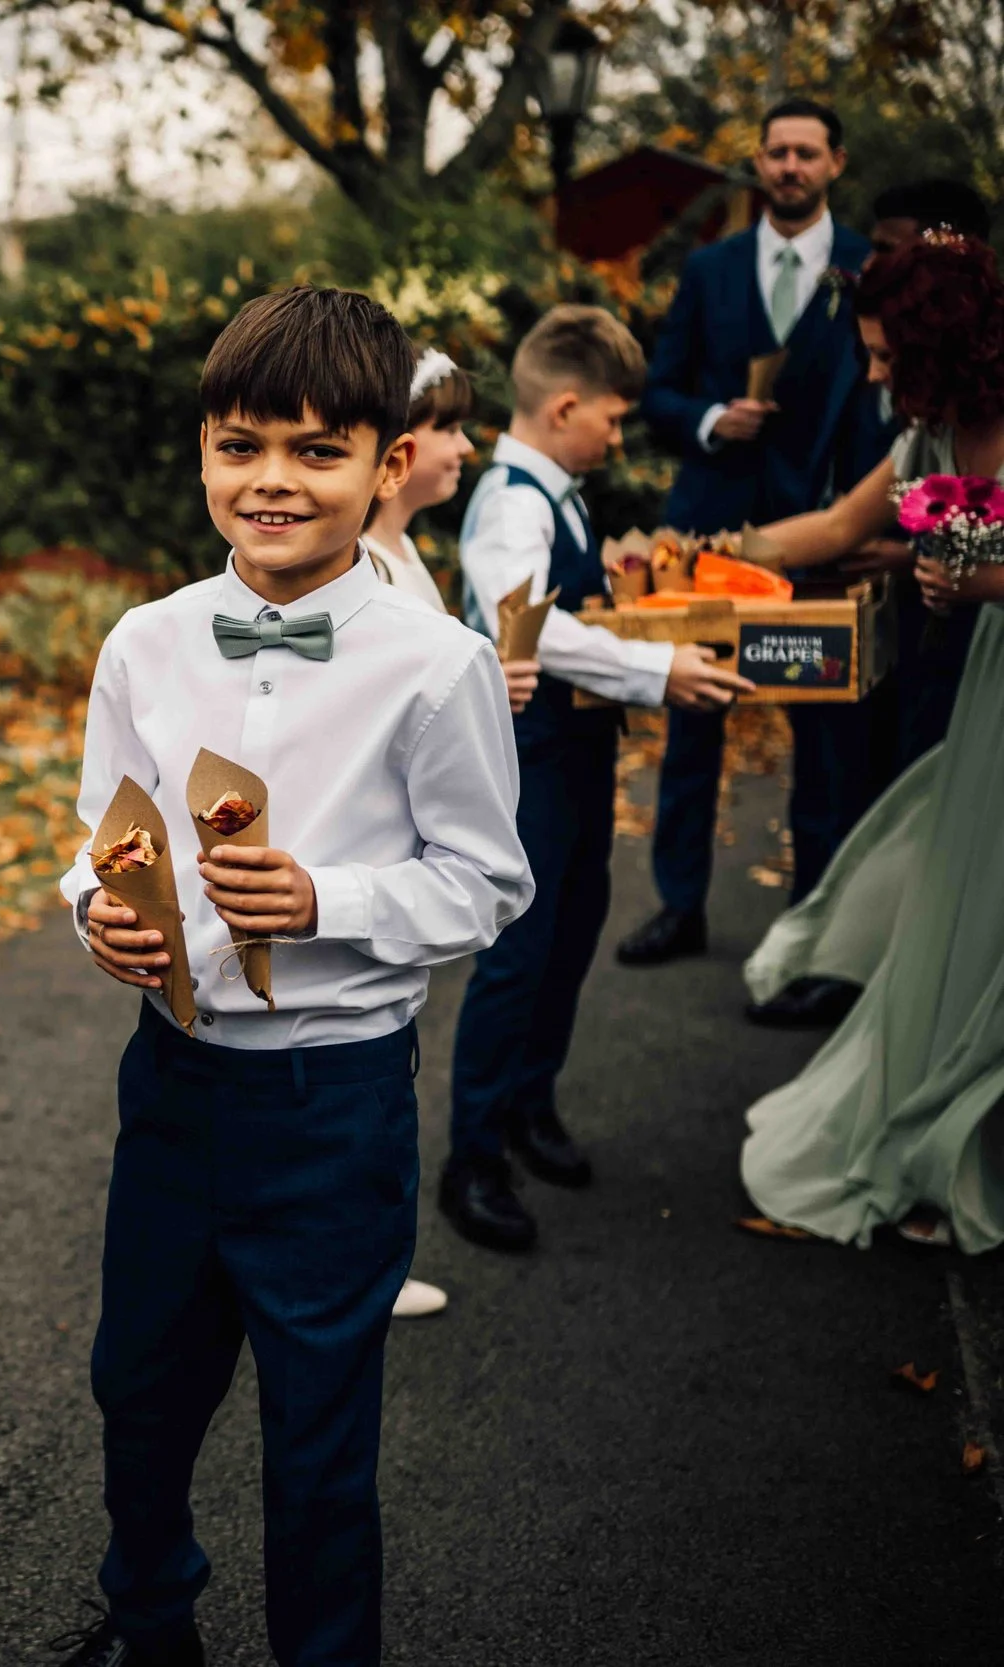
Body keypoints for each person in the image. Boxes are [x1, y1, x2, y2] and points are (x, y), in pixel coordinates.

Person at [53, 286, 532, 1667]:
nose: (272, 479)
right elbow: (104, 838)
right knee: (135, 1389)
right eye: (241, 444)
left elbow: (490, 880)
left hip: (336, 1103)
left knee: (317, 1431)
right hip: (176, 1090)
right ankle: (150, 1617)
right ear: (203, 452)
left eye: (317, 451)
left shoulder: (435, 668)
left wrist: (331, 898)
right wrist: (101, 911)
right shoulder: (145, 640)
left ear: (389, 467)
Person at [440, 306, 755, 1254]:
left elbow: (567, 602)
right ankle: (474, 1156)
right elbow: (531, 625)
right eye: (613, 420)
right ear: (566, 405)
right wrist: (661, 672)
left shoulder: (560, 492)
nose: (619, 437)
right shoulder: (511, 502)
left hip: (577, 754)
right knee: (519, 952)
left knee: (575, 927)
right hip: (528, 757)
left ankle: (532, 1103)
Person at [735, 231, 1004, 1252]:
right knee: (964, 912)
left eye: (891, 357)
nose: (878, 376)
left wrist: (974, 582)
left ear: (950, 345)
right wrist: (711, 557)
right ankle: (942, 1131)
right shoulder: (924, 440)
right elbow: (834, 529)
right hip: (985, 696)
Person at [620, 97, 893, 973]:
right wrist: (707, 417)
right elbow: (656, 393)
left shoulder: (869, 267)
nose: (789, 167)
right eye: (776, 152)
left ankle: (811, 923)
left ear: (835, 164)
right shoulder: (712, 269)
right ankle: (678, 906)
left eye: (806, 153)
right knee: (695, 717)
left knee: (823, 734)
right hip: (708, 527)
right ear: (761, 161)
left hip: (823, 526)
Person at [361, 346, 537, 1322]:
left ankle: (362, 1255)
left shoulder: (406, 551)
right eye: (452, 428)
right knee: (375, 1061)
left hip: (403, 853)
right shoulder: (373, 566)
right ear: (398, 447)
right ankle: (358, 1265)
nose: (468, 447)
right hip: (382, 853)